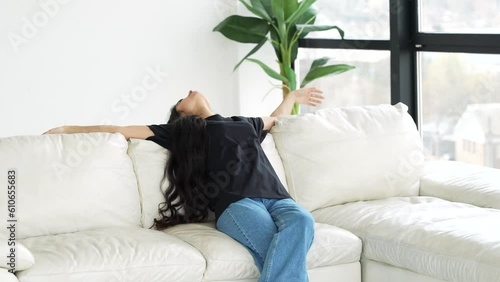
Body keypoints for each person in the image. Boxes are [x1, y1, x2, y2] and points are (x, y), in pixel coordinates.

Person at [43, 87, 324, 282]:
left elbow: (277, 118)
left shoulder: (244, 123)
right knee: (274, 247)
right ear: (182, 113)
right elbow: (118, 130)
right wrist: (67, 130)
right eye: (182, 98)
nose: (190, 91)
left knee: (303, 222)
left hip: (278, 198)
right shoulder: (183, 133)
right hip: (238, 205)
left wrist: (293, 96)